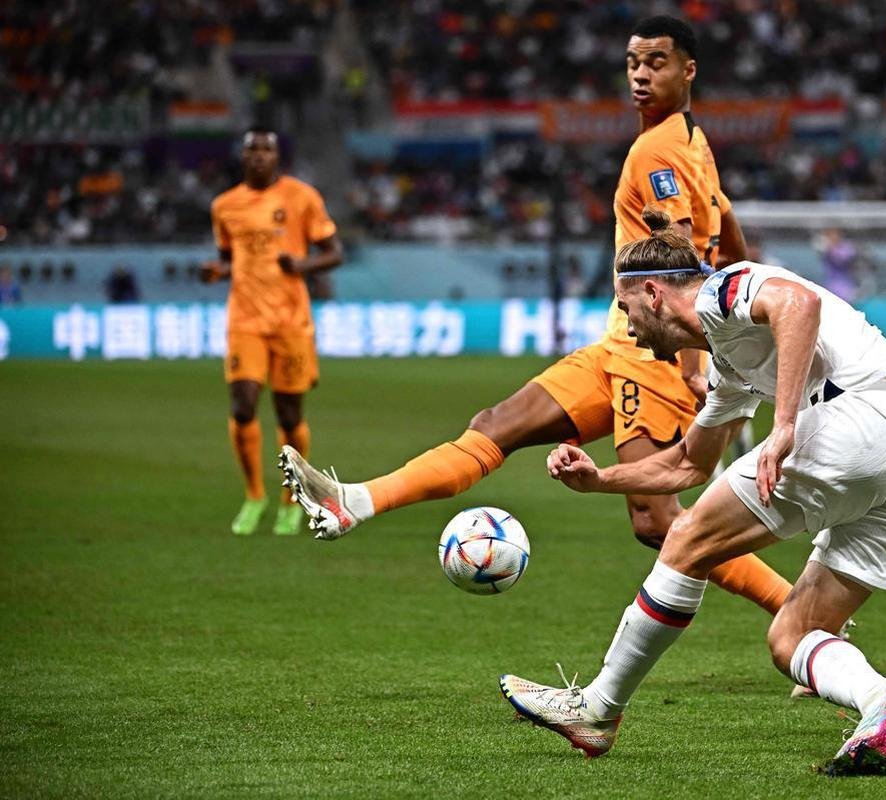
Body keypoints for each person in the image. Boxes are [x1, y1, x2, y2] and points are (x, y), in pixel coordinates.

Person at [280, 17, 793, 619]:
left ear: (689, 70)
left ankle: (798, 608)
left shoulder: (657, 150)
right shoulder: (691, 143)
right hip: (618, 345)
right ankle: (354, 502)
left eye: (657, 61)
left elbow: (677, 261)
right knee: (495, 424)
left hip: (653, 356)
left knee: (657, 523)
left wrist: (689, 359)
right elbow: (728, 242)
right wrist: (726, 310)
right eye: (633, 62)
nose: (640, 74)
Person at [500, 208, 886, 776]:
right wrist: (599, 480)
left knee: (686, 538)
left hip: (861, 422)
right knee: (793, 637)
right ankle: (879, 700)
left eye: (625, 308)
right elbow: (690, 463)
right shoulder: (729, 361)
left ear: (654, 294)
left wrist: (783, 423)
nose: (627, 327)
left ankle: (597, 709)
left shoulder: (723, 290)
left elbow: (799, 305)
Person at [204, 128, 343, 535]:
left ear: (277, 156)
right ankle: (254, 496)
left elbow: (335, 253)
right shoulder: (225, 206)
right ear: (243, 157)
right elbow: (234, 258)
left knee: (289, 413)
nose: (260, 156)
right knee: (243, 404)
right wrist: (218, 271)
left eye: (267, 149)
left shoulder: (302, 198)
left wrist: (302, 266)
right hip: (244, 321)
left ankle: (291, 500)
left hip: (291, 323)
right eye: (253, 150)